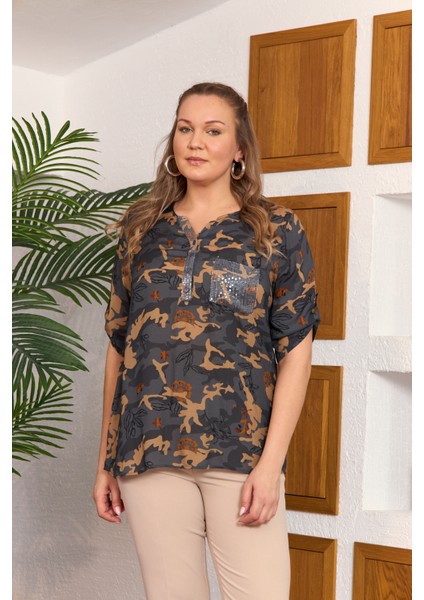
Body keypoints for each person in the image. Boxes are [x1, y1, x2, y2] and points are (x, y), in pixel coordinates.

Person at [92, 82, 320, 600]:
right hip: (149, 451)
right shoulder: (140, 230)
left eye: (213, 131)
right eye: (185, 128)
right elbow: (120, 348)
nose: (195, 142)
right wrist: (105, 461)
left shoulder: (276, 230)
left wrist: (270, 466)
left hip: (242, 453)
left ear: (239, 149)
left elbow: (297, 352)